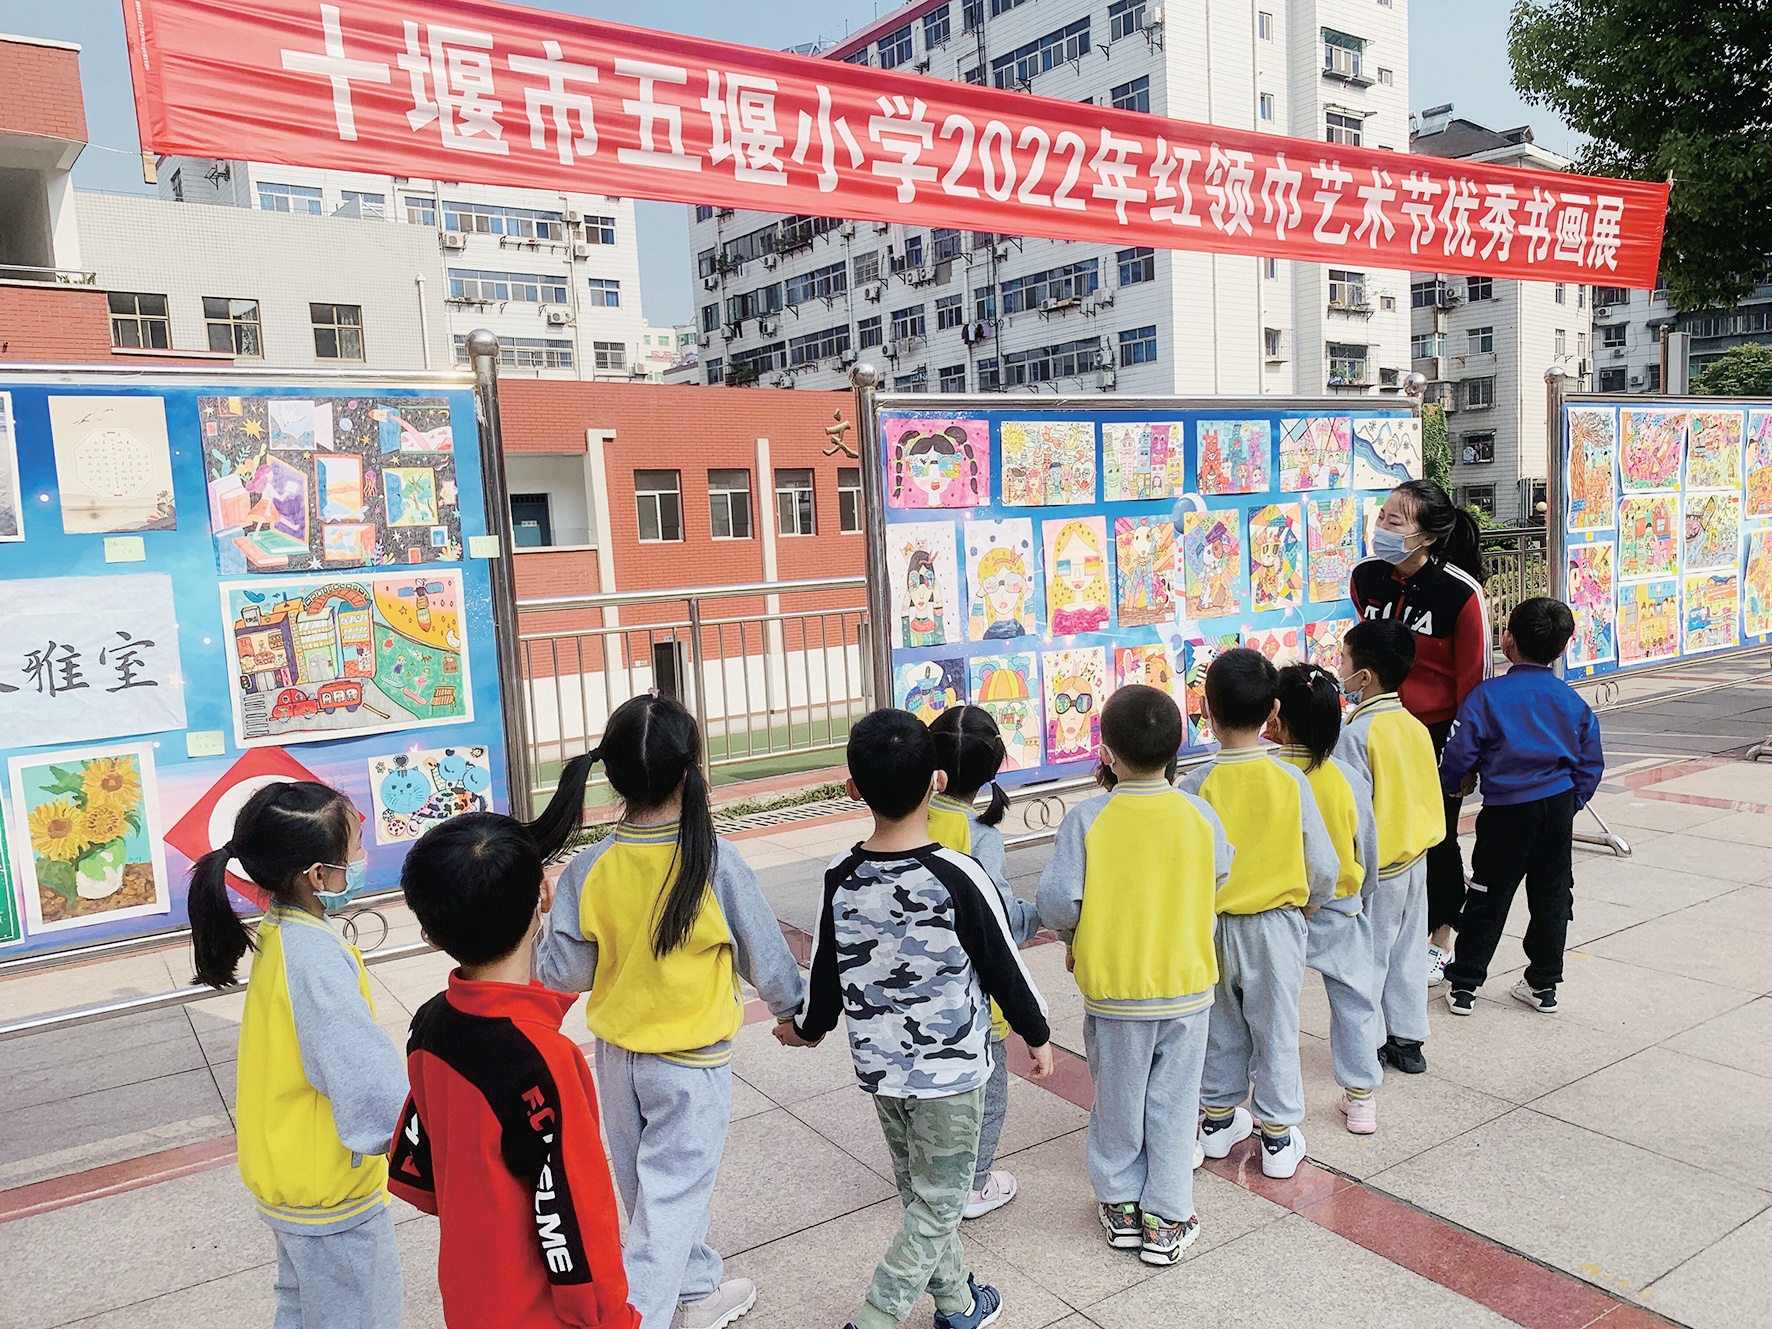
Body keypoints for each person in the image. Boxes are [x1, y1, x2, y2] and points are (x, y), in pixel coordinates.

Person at [534, 695, 806, 1329]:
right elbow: (763, 951)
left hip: (618, 1060)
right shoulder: (714, 859)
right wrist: (793, 1011)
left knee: (651, 1196)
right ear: (691, 769)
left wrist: (546, 920)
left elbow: (563, 974)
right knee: (669, 1203)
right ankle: (641, 1317)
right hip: (691, 1065)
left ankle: (698, 1290)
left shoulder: (590, 868)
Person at [779, 709, 1053, 1329]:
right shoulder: (959, 873)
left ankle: (958, 1304)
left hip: (883, 1072)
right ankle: (874, 1318)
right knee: (938, 1205)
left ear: (853, 788)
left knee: (923, 1196)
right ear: (937, 781)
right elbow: (1002, 964)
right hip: (952, 1074)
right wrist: (1036, 1032)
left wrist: (805, 1029)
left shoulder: (841, 878)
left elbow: (826, 974)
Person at [390, 811, 638, 1329]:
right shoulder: (544, 1059)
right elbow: (575, 1209)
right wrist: (612, 1318)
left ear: (429, 933)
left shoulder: (430, 1023)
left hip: (469, 1296)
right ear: (544, 896)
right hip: (539, 1312)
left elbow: (418, 1162)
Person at [187, 781, 408, 1329]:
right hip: (329, 1189)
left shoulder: (283, 930)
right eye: (356, 848)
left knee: (305, 1312)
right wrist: (418, 1141)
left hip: (291, 1177)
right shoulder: (315, 957)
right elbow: (361, 1074)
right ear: (318, 874)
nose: (362, 858)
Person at [1037, 685, 1231, 1264]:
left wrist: (1075, 939)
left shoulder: (1088, 819)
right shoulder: (1199, 813)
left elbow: (1057, 902)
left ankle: (1120, 1203)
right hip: (1187, 986)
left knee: (1118, 1100)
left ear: (1107, 752)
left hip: (1115, 990)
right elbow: (1220, 874)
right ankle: (1166, 1216)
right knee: (1175, 1103)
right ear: (1176, 748)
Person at [1178, 650, 1339, 1180]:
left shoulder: (1195, 785)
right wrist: (1310, 903)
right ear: (1274, 711)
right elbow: (1322, 864)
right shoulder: (1289, 780)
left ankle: (1218, 1122)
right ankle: (1277, 1138)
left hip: (1212, 927)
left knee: (1219, 1028)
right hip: (1276, 926)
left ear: (1206, 711)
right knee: (1276, 1030)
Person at [1351, 479, 1491, 983]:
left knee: (1437, 835)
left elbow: (1474, 683)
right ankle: (1384, 924)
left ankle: (1441, 935)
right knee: (1375, 830)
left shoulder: (1461, 594)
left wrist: (1465, 759)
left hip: (1434, 733)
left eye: (1395, 521)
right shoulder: (1366, 579)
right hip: (1375, 728)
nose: (1382, 528)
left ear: (1426, 536)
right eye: (1381, 517)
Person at [1439, 598, 1604, 1017]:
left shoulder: (1486, 696)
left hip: (1506, 811)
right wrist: (1571, 802)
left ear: (1507, 640)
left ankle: (1464, 986)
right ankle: (1543, 984)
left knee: (1487, 893)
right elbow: (1591, 763)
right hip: (1556, 808)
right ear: (1564, 647)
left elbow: (1458, 751)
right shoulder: (1572, 702)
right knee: (1552, 895)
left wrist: (1454, 783)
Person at [926, 705, 1038, 1221]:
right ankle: (973, 1184)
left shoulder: (906, 816)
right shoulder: (983, 837)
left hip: (916, 995)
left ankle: (930, 1171)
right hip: (972, 999)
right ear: (995, 765)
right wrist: (1039, 915)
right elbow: (1001, 920)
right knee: (988, 1095)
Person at [1270, 664, 1385, 1134]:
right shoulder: (1349, 778)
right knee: (1355, 1001)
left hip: (1275, 910)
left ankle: (1255, 1095)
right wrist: (1363, 891)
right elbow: (1367, 847)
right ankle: (1360, 1098)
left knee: (1271, 1007)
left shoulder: (1269, 774)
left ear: (1275, 717)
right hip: (1340, 906)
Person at [1334, 621, 1446, 1075]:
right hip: (1418, 856)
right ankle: (1408, 1037)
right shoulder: (1413, 724)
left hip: (1380, 868)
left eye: (1343, 659)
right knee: (1409, 950)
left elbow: (1351, 810)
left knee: (1370, 957)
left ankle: (1372, 1042)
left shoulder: (1356, 735)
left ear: (1364, 676)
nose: (1339, 668)